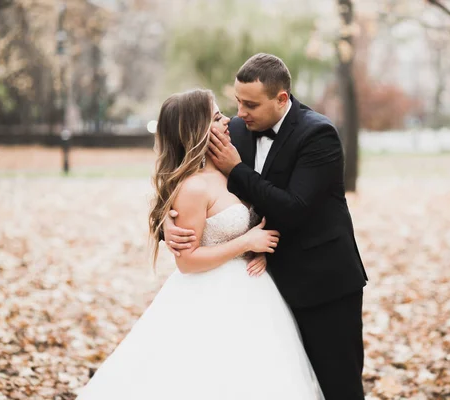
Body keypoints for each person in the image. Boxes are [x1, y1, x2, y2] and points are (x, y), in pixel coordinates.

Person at [76, 88, 324, 400]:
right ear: (197, 130)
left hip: (253, 293)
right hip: (209, 294)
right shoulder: (192, 188)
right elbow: (186, 261)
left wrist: (257, 250)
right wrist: (246, 241)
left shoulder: (227, 167)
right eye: (219, 117)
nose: (229, 121)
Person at [165, 54, 368, 400]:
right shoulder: (236, 132)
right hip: (257, 291)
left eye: (250, 105)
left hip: (321, 285)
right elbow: (191, 184)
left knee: (337, 387)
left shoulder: (318, 135)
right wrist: (170, 227)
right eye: (237, 102)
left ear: (281, 99)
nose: (239, 113)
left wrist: (237, 168)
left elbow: (294, 209)